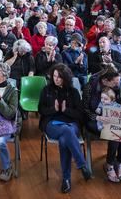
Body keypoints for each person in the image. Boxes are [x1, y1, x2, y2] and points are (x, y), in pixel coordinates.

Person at [38, 63, 91, 193]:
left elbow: (80, 114)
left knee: (64, 140)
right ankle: (82, 164)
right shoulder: (47, 90)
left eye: (59, 77)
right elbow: (40, 109)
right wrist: (53, 109)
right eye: (54, 76)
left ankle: (66, 179)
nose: (56, 79)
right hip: (52, 123)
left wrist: (65, 110)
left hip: (71, 123)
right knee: (66, 132)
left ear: (65, 78)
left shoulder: (73, 92)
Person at [95, 87, 121, 183]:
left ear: (112, 99)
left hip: (117, 128)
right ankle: (110, 164)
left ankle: (119, 163)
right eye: (102, 98)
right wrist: (98, 112)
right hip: (104, 127)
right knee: (114, 137)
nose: (103, 101)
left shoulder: (118, 106)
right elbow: (98, 111)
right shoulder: (101, 105)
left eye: (105, 99)